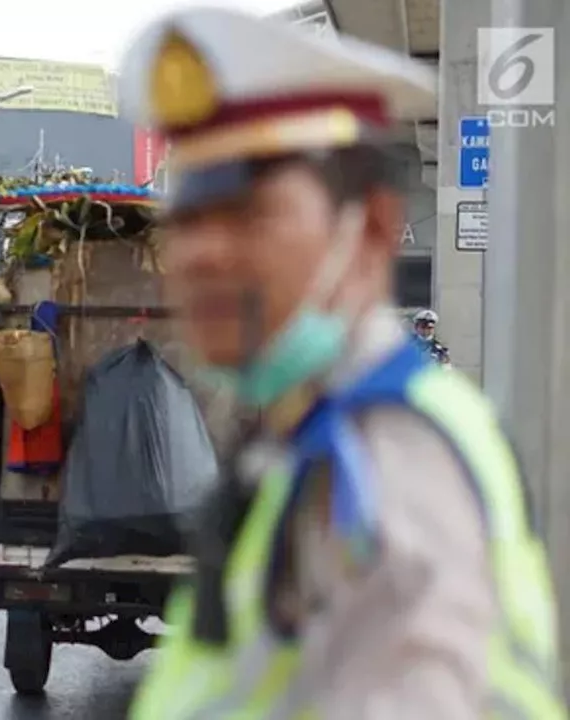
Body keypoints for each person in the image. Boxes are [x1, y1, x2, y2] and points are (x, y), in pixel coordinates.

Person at [116, 8, 563, 718]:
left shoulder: (382, 467)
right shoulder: (311, 437)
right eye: (190, 221)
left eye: (248, 213)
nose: (202, 255)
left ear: (374, 231)